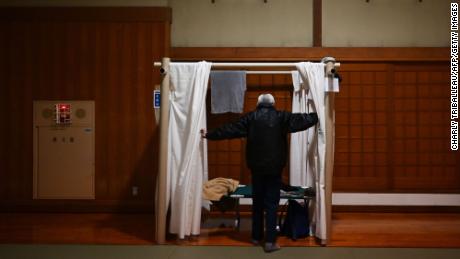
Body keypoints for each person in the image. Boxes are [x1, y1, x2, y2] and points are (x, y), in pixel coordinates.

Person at [201, 93, 318, 253]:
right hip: (275, 169)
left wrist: (209, 134)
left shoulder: (250, 118)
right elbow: (303, 120)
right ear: (273, 104)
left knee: (257, 203)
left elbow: (229, 129)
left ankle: (256, 237)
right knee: (271, 204)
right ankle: (270, 242)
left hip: (256, 169)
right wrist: (318, 115)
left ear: (258, 104)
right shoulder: (281, 117)